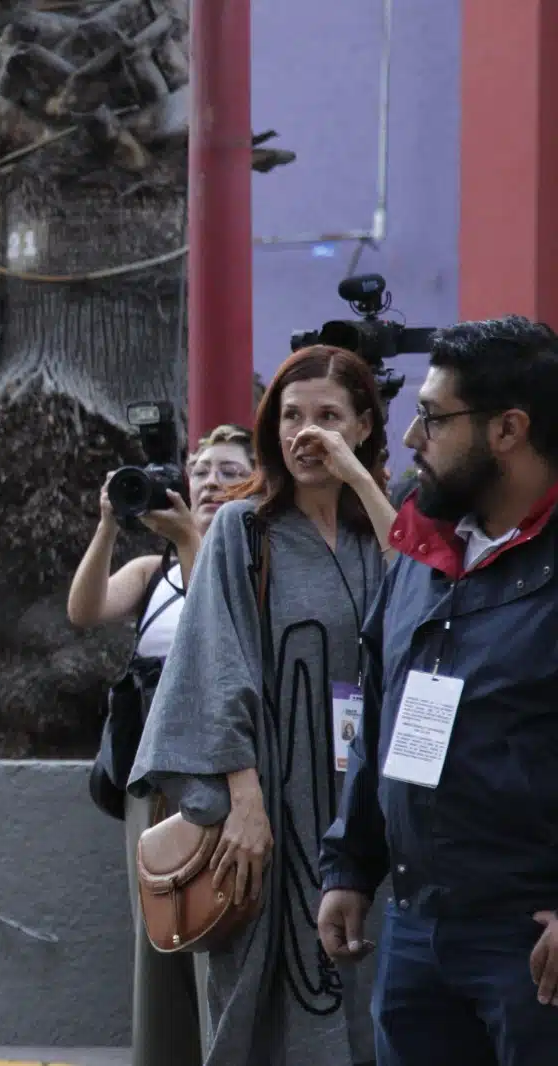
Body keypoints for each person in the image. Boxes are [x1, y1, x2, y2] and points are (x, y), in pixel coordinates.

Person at [129, 344, 396, 1066]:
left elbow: (421, 597)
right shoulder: (244, 532)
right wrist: (242, 799)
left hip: (372, 803)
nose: (306, 433)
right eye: (290, 416)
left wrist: (359, 483)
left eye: (329, 417)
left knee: (380, 989)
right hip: (274, 803)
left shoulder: (385, 533)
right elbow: (214, 665)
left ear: (365, 425)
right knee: (267, 994)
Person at [318, 315, 558, 1066]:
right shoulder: (421, 552)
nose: (413, 439)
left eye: (432, 417)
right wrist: (350, 866)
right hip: (416, 932)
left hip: (531, 944)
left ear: (508, 430)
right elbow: (384, 711)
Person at [68, 423, 255, 1066]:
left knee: (218, 924)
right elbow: (84, 610)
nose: (211, 484)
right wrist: (107, 524)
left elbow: (220, 625)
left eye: (231, 473)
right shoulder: (152, 571)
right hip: (151, 776)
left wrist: (189, 539)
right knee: (157, 933)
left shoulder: (252, 554)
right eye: (201, 472)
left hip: (225, 775)